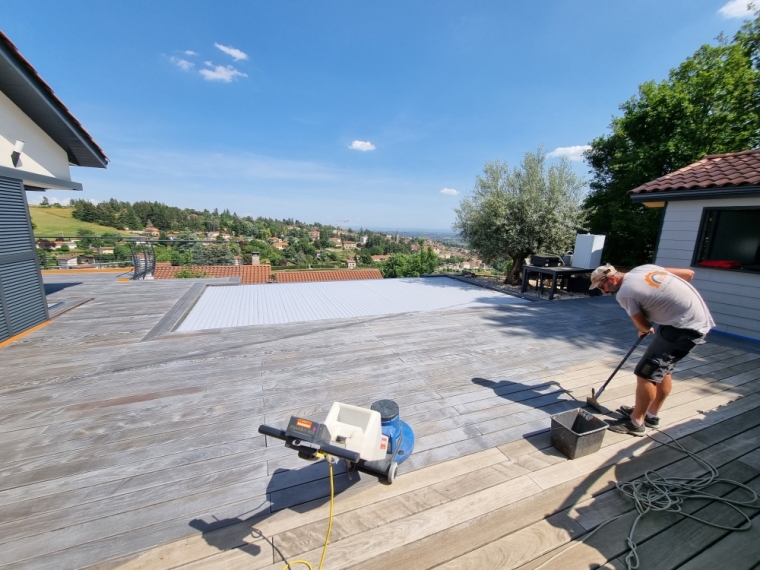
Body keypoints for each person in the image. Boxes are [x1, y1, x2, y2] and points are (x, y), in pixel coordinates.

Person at [589, 264, 715, 436]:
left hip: (683, 328)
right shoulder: (643, 269)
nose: (603, 291)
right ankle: (651, 415)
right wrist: (667, 299)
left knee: (645, 372)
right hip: (689, 322)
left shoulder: (625, 293)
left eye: (602, 287)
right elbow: (689, 274)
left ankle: (636, 422)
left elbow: (644, 326)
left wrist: (643, 328)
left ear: (612, 279)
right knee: (662, 371)